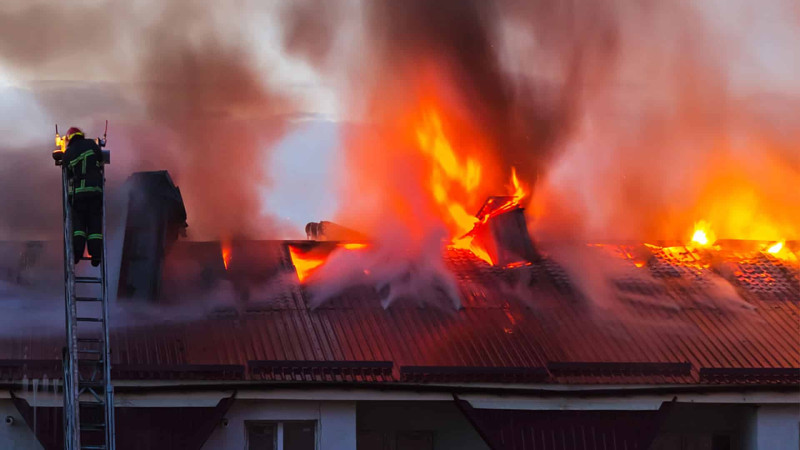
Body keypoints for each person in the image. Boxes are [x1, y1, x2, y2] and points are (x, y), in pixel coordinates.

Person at [61, 127, 104, 266]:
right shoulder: (92, 144)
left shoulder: (68, 153)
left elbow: (67, 174)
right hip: (95, 192)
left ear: (69, 139)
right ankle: (96, 255)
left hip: (79, 194)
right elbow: (101, 162)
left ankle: (76, 255)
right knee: (95, 225)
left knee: (79, 227)